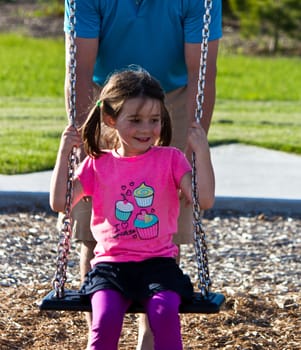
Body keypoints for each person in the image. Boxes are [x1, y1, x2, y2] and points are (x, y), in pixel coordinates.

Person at [63, 1, 222, 348]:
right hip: (109, 96)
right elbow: (80, 69)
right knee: (92, 227)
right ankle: (102, 333)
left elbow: (202, 75)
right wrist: (79, 140)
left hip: (173, 96)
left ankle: (148, 344)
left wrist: (197, 144)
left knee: (165, 225)